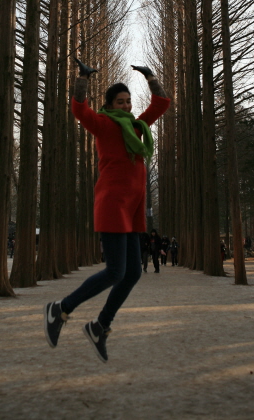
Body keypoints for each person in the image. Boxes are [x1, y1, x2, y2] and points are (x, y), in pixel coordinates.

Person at [44, 60, 170, 363]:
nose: (126, 106)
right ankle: (60, 309)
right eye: (120, 102)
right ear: (110, 104)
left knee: (133, 272)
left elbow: (162, 103)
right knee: (116, 270)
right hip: (113, 204)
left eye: (128, 101)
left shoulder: (137, 126)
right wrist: (82, 80)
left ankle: (100, 325)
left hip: (133, 208)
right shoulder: (103, 123)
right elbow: (79, 110)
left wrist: (151, 78)